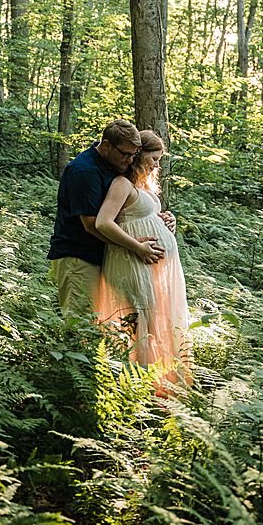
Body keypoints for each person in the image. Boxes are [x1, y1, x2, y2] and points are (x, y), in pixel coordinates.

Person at [94, 130, 191, 388]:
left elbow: (142, 216)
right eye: (154, 158)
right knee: (139, 323)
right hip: (132, 261)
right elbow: (104, 222)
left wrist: (168, 219)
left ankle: (155, 384)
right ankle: (138, 388)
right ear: (139, 155)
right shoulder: (121, 184)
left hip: (148, 263)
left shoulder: (143, 186)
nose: (157, 165)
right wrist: (138, 247)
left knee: (151, 319)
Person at [48, 120, 165, 317]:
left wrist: (160, 219)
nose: (129, 160)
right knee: (79, 321)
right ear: (107, 144)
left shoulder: (112, 164)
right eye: (125, 154)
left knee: (100, 323)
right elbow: (92, 225)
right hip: (79, 257)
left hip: (103, 256)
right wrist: (136, 246)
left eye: (134, 155)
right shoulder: (84, 170)